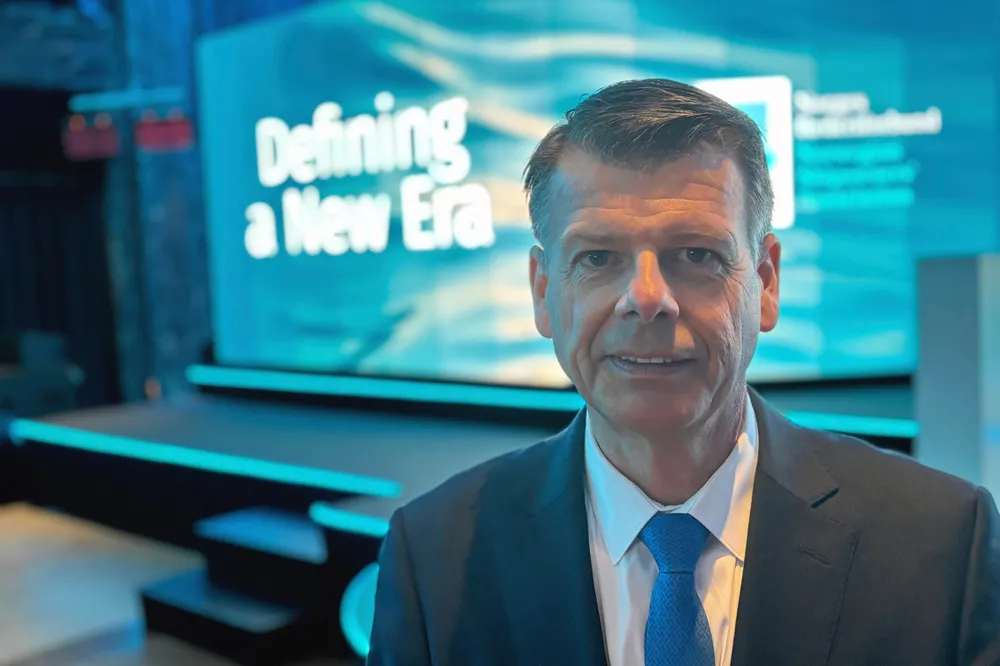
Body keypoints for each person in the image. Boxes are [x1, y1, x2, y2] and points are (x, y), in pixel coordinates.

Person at [366, 79, 1000, 666]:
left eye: (696, 254)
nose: (647, 298)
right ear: (542, 291)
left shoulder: (941, 541)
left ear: (766, 282)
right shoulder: (434, 557)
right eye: (597, 258)